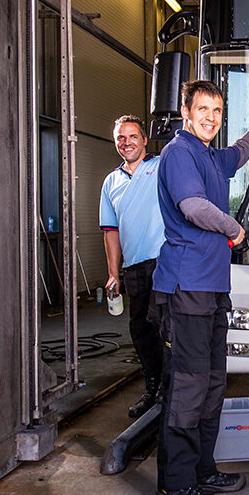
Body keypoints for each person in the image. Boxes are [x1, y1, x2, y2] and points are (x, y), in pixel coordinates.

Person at [152, 80, 249, 495]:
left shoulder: (211, 156)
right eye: (203, 109)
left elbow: (240, 152)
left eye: (217, 110)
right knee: (188, 386)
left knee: (212, 384)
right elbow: (193, 206)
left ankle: (202, 470)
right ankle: (174, 486)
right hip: (186, 287)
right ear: (186, 112)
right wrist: (234, 228)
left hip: (212, 288)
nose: (211, 117)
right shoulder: (179, 153)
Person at [99, 114, 165, 419]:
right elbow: (110, 231)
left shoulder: (162, 166)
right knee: (141, 330)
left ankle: (171, 391)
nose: (127, 143)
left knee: (164, 326)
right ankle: (152, 389)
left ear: (144, 140)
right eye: (121, 138)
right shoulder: (111, 182)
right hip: (135, 267)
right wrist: (114, 273)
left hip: (165, 262)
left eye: (132, 136)